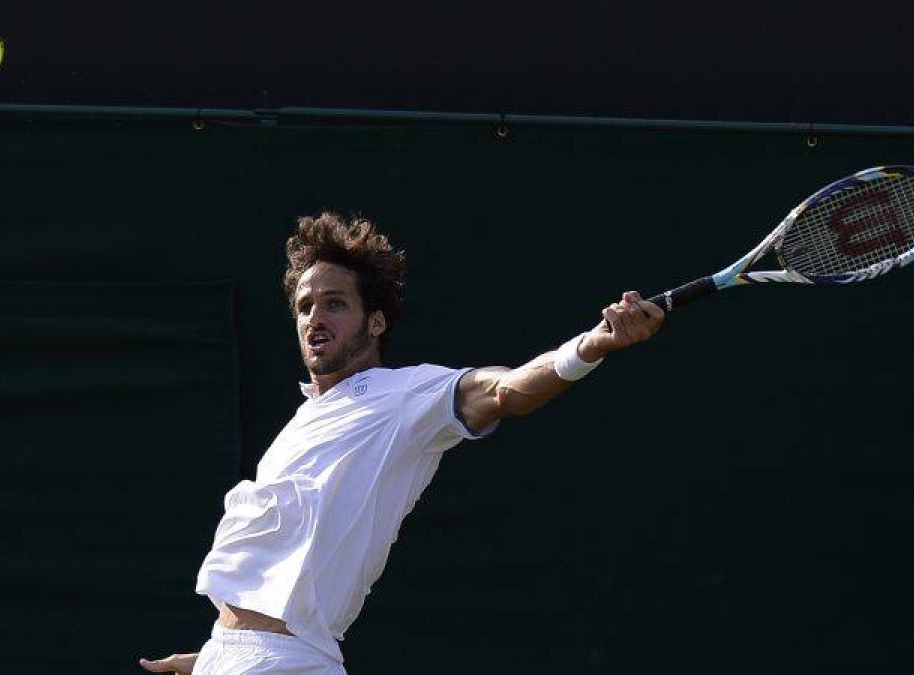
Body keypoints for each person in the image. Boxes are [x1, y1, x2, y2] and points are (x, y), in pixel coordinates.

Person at [139, 213, 664, 674]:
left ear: (376, 321)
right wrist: (216, 655)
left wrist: (593, 345)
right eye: (305, 307)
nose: (315, 319)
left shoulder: (405, 395)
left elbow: (506, 389)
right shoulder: (302, 423)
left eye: (335, 304)